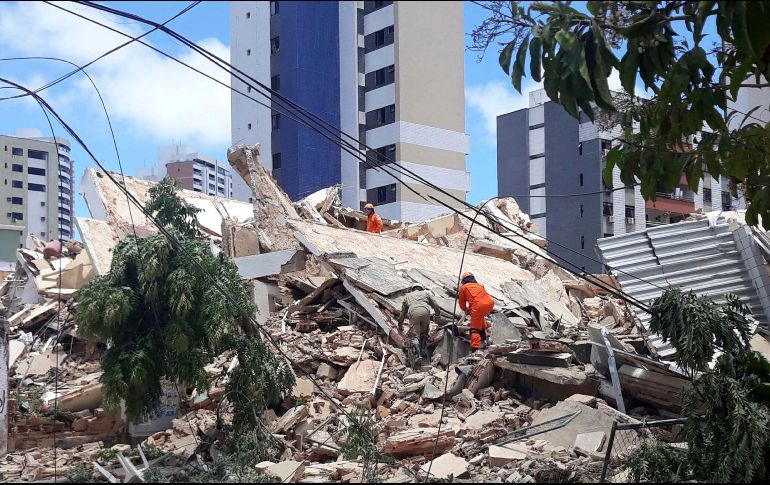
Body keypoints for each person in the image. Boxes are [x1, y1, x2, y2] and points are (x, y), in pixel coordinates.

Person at [398, 284, 441, 360]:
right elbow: (436, 305)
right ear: (422, 289)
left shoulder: (408, 295)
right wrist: (437, 315)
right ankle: (424, 351)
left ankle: (419, 355)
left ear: (412, 289)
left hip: (414, 312)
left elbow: (403, 313)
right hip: (426, 312)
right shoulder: (426, 294)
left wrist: (400, 325)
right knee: (424, 332)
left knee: (415, 335)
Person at [458, 271, 494, 350]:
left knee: (474, 328)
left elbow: (462, 302)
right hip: (490, 303)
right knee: (479, 319)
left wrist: (465, 309)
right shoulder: (480, 285)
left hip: (478, 306)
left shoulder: (463, 288)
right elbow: (479, 297)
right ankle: (483, 339)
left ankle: (475, 348)